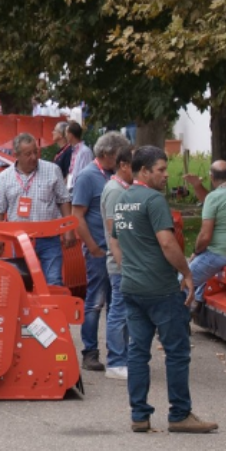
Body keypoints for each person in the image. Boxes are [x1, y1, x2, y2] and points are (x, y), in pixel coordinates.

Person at [110, 145, 218, 434]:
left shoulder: (122, 200)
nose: (165, 175)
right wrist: (186, 272)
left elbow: (116, 240)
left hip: (131, 287)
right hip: (160, 288)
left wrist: (128, 269)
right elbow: (168, 243)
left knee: (137, 352)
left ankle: (139, 415)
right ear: (143, 171)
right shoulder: (153, 200)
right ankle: (180, 414)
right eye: (160, 169)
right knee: (177, 351)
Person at [71, 131, 130, 373]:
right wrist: (93, 247)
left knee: (117, 302)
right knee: (96, 301)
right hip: (99, 250)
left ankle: (118, 353)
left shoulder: (116, 177)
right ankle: (90, 351)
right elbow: (77, 215)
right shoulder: (88, 177)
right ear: (106, 154)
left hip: (114, 249)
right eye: (119, 155)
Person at [0, 133, 74, 286]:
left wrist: (68, 229)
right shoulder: (5, 177)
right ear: (16, 155)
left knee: (53, 282)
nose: (34, 157)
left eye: (36, 152)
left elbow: (64, 200)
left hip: (49, 238)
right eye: (28, 154)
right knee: (22, 285)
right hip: (20, 240)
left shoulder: (52, 170)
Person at [183, 161, 226, 308]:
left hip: (220, 254)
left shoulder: (214, 197)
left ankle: (178, 323)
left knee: (179, 283)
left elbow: (205, 236)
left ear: (212, 177)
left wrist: (195, 251)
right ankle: (199, 303)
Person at [100, 144, 133, 381]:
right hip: (120, 262)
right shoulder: (115, 191)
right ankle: (115, 361)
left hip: (125, 261)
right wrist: (123, 263)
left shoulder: (121, 189)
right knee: (118, 312)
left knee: (124, 311)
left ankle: (123, 358)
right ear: (123, 166)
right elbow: (114, 231)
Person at [66, 120, 93, 189]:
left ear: (71, 135)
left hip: (80, 188)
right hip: (72, 189)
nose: (65, 135)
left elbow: (85, 172)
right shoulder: (74, 150)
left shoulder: (85, 151)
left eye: (66, 133)